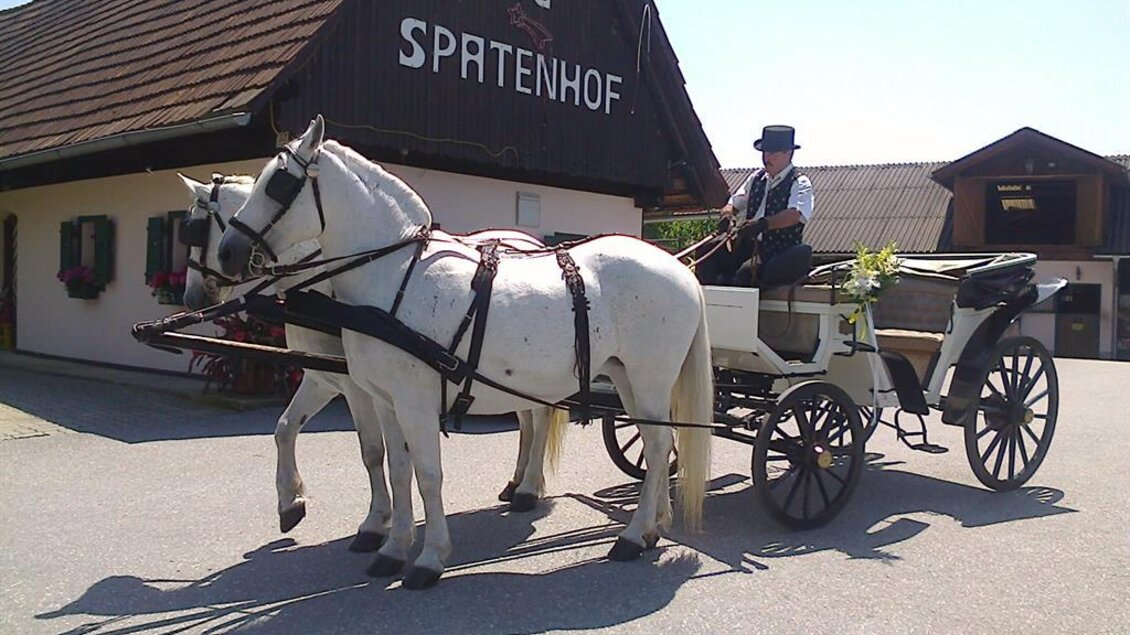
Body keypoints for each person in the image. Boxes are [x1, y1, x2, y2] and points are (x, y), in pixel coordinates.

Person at [704, 125, 814, 287]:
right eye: (764, 153)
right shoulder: (756, 177)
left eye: (772, 153)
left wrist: (763, 224)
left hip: (779, 250)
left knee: (745, 274)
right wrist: (727, 215)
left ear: (788, 154)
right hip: (748, 245)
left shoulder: (800, 182)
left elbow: (794, 215)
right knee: (707, 254)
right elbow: (734, 202)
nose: (766, 158)